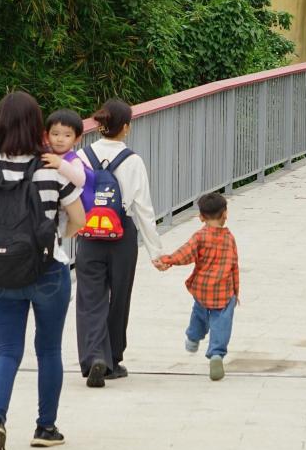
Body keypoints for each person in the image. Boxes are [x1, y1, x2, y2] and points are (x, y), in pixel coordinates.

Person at [0, 91, 85, 450]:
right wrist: (56, 238)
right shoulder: (50, 170)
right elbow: (79, 220)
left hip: (1, 273)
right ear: (37, 126)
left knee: (6, 350)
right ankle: (45, 428)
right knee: (48, 349)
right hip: (47, 270)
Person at [75, 98, 162, 387]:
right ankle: (112, 359)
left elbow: (71, 196)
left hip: (89, 233)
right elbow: (143, 208)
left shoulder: (82, 156)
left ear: (100, 125)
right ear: (125, 127)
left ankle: (93, 357)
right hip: (122, 233)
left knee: (90, 297)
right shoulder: (133, 160)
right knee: (119, 296)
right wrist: (155, 251)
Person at [154, 191, 239, 383]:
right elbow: (234, 265)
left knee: (199, 316)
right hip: (224, 292)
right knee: (221, 324)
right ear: (225, 213)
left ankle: (193, 338)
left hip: (202, 289)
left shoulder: (200, 237)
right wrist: (235, 292)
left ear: (201, 217)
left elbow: (185, 254)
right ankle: (216, 354)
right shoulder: (229, 238)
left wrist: (168, 260)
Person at [42, 108, 89, 194]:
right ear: (47, 136)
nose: (60, 139)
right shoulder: (45, 154)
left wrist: (60, 164)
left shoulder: (73, 159)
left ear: (77, 139)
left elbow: (81, 180)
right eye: (55, 134)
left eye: (67, 135)